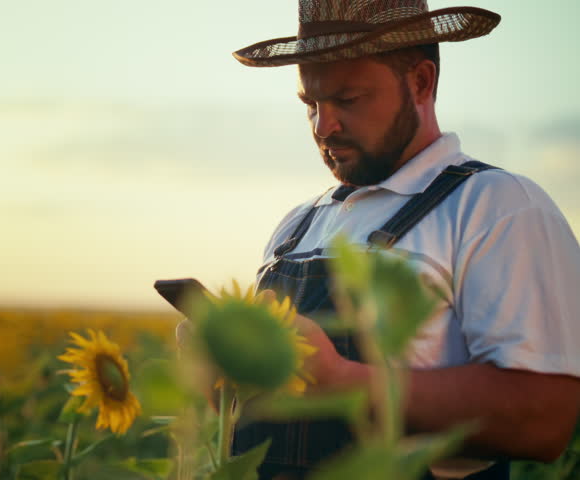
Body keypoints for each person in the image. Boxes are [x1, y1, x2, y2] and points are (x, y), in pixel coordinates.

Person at [215, 1, 580, 479]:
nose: (324, 126)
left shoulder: (499, 206)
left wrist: (343, 380)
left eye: (347, 100)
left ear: (421, 82)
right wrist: (227, 378)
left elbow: (545, 420)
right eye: (311, 105)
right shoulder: (297, 225)